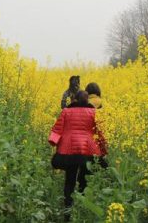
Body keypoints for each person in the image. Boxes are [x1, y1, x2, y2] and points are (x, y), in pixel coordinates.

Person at [49, 91, 108, 221]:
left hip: (68, 150)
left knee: (69, 181)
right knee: (84, 179)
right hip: (87, 150)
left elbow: (57, 129)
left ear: (74, 100)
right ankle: (82, 209)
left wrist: (53, 141)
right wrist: (104, 150)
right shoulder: (93, 113)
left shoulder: (66, 112)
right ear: (87, 101)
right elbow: (100, 133)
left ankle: (68, 213)